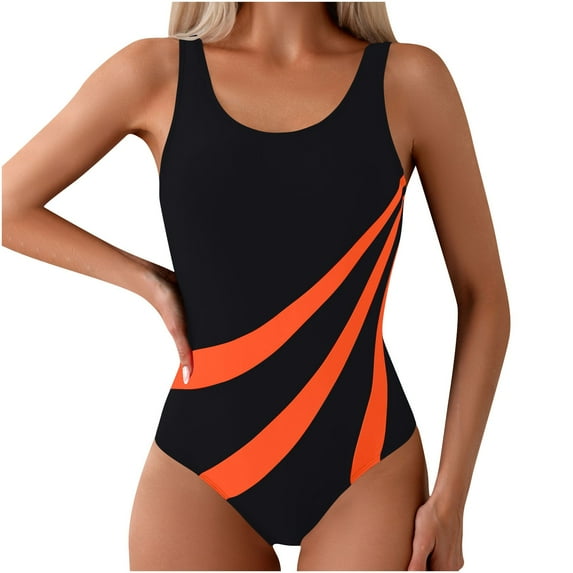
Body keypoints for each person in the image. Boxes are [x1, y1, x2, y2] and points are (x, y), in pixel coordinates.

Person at [1, 1, 510, 570]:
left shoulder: (409, 80)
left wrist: (452, 501)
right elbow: (8, 205)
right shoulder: (154, 72)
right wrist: (150, 282)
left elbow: (483, 297)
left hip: (367, 464)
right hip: (199, 472)